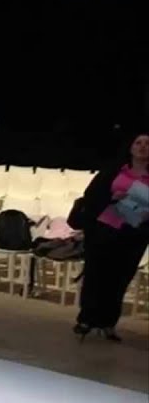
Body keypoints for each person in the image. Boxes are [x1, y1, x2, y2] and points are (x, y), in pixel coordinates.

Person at [71, 133, 149, 341]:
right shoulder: (115, 171)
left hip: (134, 234)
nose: (143, 147)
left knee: (119, 279)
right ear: (131, 147)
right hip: (104, 228)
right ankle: (86, 319)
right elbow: (91, 196)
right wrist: (112, 198)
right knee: (95, 275)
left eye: (147, 144)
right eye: (138, 143)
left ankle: (108, 323)